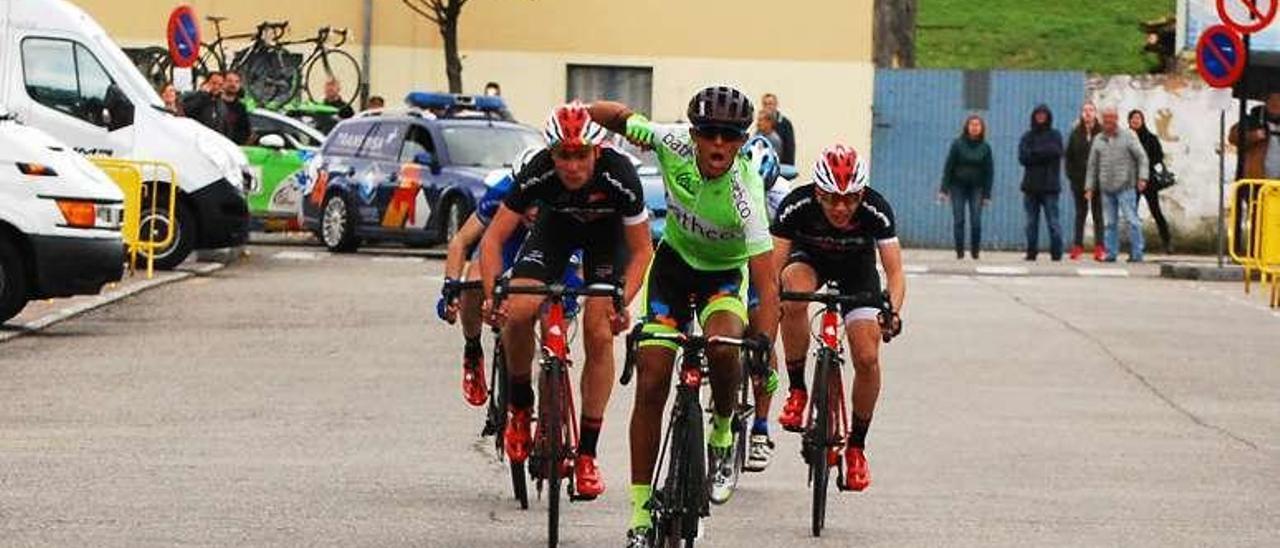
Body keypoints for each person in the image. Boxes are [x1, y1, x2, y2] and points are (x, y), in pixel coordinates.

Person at [590, 86, 779, 546]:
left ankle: (721, 431)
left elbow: (767, 283)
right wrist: (584, 114)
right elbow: (614, 115)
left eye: (731, 136)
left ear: (741, 140)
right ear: (693, 133)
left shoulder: (747, 194)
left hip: (723, 278)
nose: (719, 145)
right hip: (672, 269)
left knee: (723, 346)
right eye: (710, 134)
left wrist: (765, 345)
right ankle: (638, 514)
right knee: (652, 378)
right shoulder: (670, 141)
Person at [479, 102, 653, 501]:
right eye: (563, 156)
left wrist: (621, 301)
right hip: (553, 231)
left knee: (598, 330)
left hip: (606, 241)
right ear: (551, 153)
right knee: (518, 311)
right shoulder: (538, 169)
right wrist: (493, 294)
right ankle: (520, 407)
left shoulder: (620, 175)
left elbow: (643, 251)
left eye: (580, 156)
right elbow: (492, 239)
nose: (571, 166)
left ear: (596, 152)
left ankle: (587, 454)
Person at [774, 144, 905, 494]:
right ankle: (798, 389)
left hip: (857, 272)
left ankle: (857, 447)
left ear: (861, 193)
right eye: (831, 198)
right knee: (791, 289)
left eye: (850, 199)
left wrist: (892, 310)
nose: (841, 208)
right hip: (809, 261)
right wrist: (770, 303)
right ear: (818, 191)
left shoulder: (876, 208)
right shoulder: (797, 204)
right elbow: (773, 267)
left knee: (867, 356)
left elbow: (895, 272)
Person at [438, 146, 545, 407]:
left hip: (546, 241)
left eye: (538, 201)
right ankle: (472, 350)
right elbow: (461, 241)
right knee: (472, 283)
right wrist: (450, 287)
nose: (532, 210)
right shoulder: (501, 192)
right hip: (506, 239)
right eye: (526, 201)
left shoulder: (563, 188)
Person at [739, 135, 786, 473]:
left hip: (766, 261)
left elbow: (788, 249)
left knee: (763, 328)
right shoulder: (730, 182)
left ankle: (760, 427)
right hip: (729, 258)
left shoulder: (781, 197)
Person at [1086, 106, 1149, 262]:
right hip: (1106, 187)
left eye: (1111, 117)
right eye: (1105, 118)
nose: (1108, 121)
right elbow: (1092, 165)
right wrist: (1089, 187)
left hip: (1126, 186)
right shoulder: (1098, 139)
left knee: (1131, 221)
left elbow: (1142, 158)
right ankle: (1111, 253)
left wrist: (1142, 178)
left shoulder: (1128, 136)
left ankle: (1137, 253)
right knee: (1110, 223)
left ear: (1117, 118)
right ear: (1101, 119)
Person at [939, 114, 993, 259]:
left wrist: (987, 194)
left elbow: (989, 172)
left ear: (981, 128)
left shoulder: (985, 147)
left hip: (977, 188)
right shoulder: (957, 144)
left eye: (977, 125)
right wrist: (943, 189)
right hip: (958, 187)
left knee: (976, 220)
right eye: (972, 125)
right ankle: (960, 252)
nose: (974, 128)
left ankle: (975, 252)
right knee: (959, 219)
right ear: (967, 127)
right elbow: (949, 166)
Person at [1018, 104, 1065, 261]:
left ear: (1048, 117)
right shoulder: (1027, 136)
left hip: (1050, 187)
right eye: (1038, 115)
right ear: (1033, 117)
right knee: (1031, 223)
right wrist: (1044, 153)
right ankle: (1031, 253)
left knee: (1053, 222)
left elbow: (1057, 152)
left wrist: (1035, 152)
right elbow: (1023, 157)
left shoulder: (1055, 135)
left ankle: (1056, 253)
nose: (1040, 117)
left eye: (1043, 115)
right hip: (1030, 187)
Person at [1066, 101, 1107, 261]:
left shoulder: (1103, 133)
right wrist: (1071, 176)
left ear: (1095, 113)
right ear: (1082, 114)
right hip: (1079, 182)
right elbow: (1069, 157)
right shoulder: (1075, 133)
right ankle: (1077, 246)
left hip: (1098, 182)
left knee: (1098, 214)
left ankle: (1099, 248)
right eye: (1085, 110)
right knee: (1080, 214)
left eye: (1091, 110)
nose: (1088, 113)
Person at [1129, 109, 1171, 254]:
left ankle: (1167, 242)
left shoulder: (1151, 138)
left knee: (1156, 211)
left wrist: (1145, 169)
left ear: (1143, 120)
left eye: (1138, 118)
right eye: (1133, 119)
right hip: (1131, 182)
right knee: (1131, 214)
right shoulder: (1126, 137)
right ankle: (1135, 246)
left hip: (1149, 181)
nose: (1135, 121)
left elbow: (1158, 157)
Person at [760, 92, 796, 165]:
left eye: (770, 104)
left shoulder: (785, 123)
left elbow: (790, 149)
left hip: (782, 166)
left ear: (776, 105)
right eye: (765, 104)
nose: (767, 107)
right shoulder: (761, 123)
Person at [220, 71, 250, 145]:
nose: (233, 84)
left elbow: (245, 131)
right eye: (229, 81)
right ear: (222, 83)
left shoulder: (241, 108)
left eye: (237, 82)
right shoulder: (212, 102)